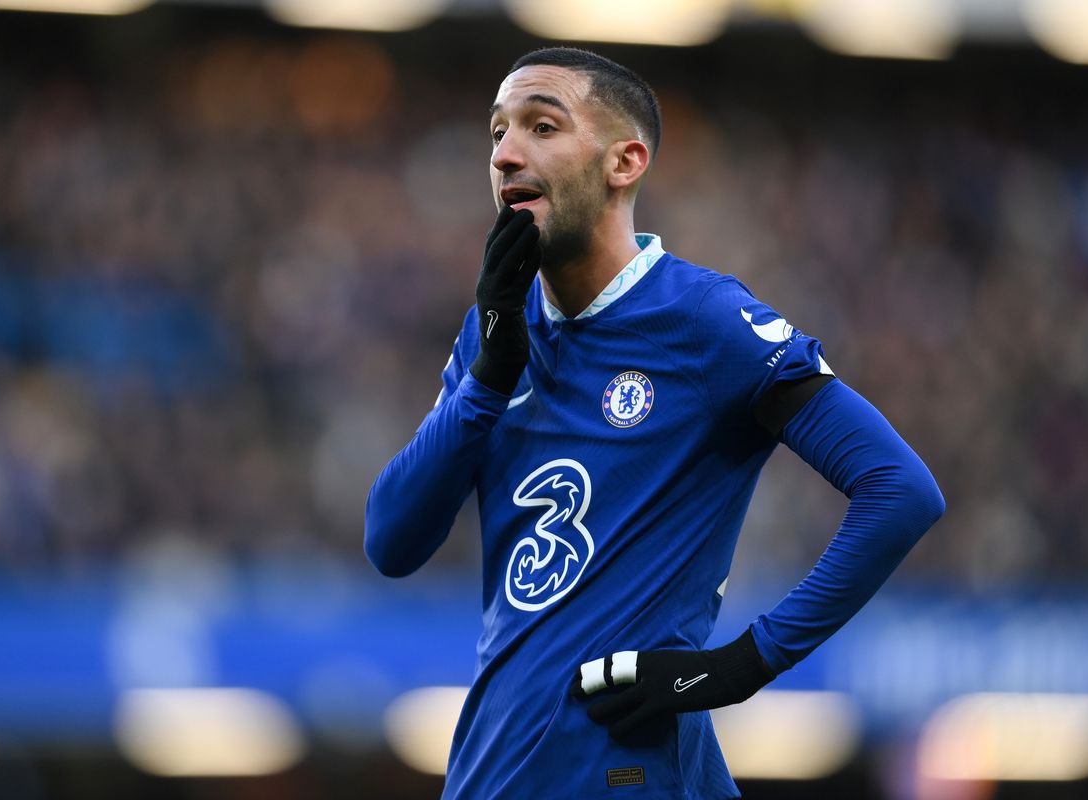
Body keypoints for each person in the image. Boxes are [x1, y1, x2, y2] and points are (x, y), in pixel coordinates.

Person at [365, 47, 945, 799]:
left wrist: (738, 666)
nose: (505, 154)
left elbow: (899, 489)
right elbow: (392, 542)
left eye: (542, 126)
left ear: (624, 162)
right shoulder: (495, 331)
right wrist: (489, 377)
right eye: (498, 132)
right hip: (490, 774)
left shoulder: (704, 320)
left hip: (627, 775)